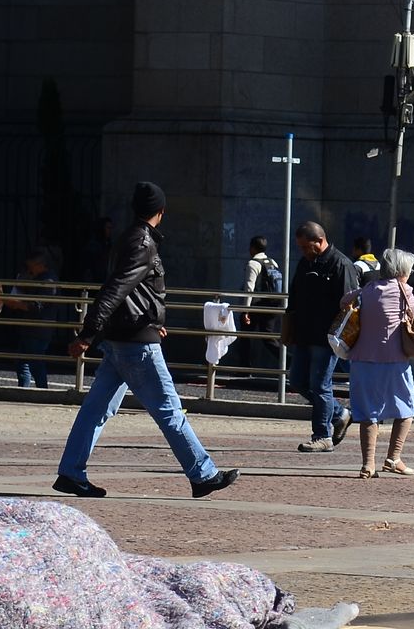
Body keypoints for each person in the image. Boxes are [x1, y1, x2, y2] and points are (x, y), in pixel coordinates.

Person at [54, 182, 239, 499]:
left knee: (96, 409)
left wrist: (148, 323)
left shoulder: (128, 238)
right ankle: (203, 474)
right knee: (169, 410)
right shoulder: (142, 243)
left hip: (122, 338)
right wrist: (88, 333)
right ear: (161, 211)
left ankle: (71, 471)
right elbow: (118, 289)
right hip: (135, 344)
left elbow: (134, 292)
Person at [340, 248, 414, 478]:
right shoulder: (404, 291)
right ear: (402, 271)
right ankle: (393, 458)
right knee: (407, 409)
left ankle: (368, 464)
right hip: (394, 360)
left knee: (368, 413)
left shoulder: (366, 290)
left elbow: (344, 301)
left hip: (362, 360)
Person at [286, 221, 359, 452]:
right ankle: (340, 413)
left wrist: (340, 335)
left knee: (320, 385)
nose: (305, 252)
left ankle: (322, 435)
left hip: (326, 337)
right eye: (301, 248)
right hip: (304, 333)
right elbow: (295, 295)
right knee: (297, 381)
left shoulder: (341, 264)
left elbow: (350, 306)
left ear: (320, 240)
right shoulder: (305, 263)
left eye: (308, 247)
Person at [0, 248, 59, 388]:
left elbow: (36, 306)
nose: (30, 270)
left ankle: (40, 391)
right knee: (24, 363)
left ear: (40, 264)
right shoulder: (41, 278)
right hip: (33, 328)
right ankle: (27, 390)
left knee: (33, 363)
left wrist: (14, 303)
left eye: (31, 267)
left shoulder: (47, 281)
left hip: (38, 329)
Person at [240, 235, 284, 367]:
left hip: (257, 306)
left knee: (245, 335)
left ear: (252, 248)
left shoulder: (253, 264)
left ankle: (244, 367)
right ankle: (288, 361)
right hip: (274, 304)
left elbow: (249, 288)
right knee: (268, 337)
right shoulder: (272, 262)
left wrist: (245, 311)